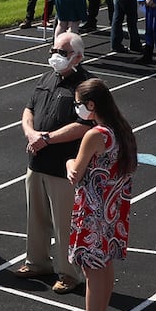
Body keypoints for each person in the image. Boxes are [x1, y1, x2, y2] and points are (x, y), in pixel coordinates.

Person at [13, 31, 93, 295]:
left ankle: (70, 273)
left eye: (62, 52)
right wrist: (31, 134)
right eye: (53, 51)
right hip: (36, 162)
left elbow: (84, 125)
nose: (55, 57)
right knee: (35, 217)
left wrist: (45, 138)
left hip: (63, 167)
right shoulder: (47, 77)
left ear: (78, 57)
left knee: (65, 222)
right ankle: (37, 262)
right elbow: (29, 109)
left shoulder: (86, 86)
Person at [64, 77, 137, 311]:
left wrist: (70, 160)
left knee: (91, 272)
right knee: (105, 267)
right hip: (113, 210)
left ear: (91, 105)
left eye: (79, 104)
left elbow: (76, 173)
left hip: (93, 211)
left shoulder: (95, 135)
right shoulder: (122, 130)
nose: (77, 108)